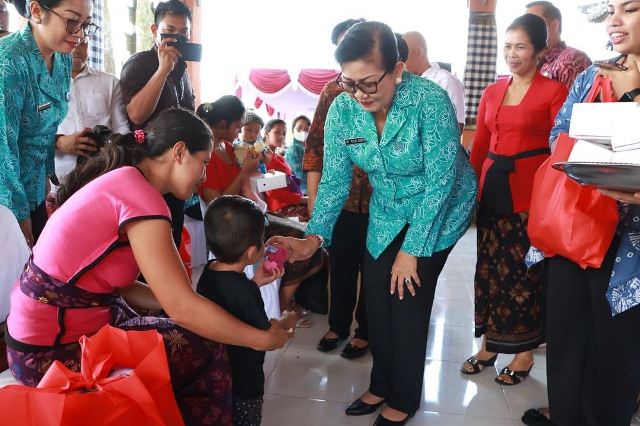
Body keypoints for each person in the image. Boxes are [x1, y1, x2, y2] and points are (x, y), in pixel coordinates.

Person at [5, 108, 292, 425]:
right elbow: (182, 307)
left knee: (192, 322)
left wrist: (189, 305)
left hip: (35, 332)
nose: (205, 175)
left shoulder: (125, 180)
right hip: (51, 350)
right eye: (205, 161)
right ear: (179, 152)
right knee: (206, 346)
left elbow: (130, 287)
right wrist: (261, 339)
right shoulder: (143, 200)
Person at [273, 21, 477, 424]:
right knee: (376, 300)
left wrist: (412, 250)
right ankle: (380, 383)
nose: (358, 94)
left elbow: (441, 183)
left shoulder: (430, 102)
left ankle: (404, 395)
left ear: (398, 69)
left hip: (441, 206)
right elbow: (333, 181)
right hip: (387, 208)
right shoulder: (343, 109)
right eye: (349, 82)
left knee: (407, 298)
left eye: (368, 82)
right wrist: (314, 237)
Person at [523, 1, 640, 425]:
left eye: (630, 9)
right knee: (567, 350)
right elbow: (560, 135)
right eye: (611, 9)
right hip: (578, 228)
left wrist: (630, 97)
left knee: (616, 365)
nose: (613, 20)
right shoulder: (593, 75)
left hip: (632, 254)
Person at [462, 14, 567, 387]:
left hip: (530, 195)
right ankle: (490, 345)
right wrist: (467, 189)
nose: (512, 53)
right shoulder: (492, 91)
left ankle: (523, 353)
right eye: (507, 46)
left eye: (520, 46)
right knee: (488, 267)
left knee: (524, 274)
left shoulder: (554, 92)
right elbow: (479, 146)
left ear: (539, 51)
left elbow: (561, 149)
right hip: (493, 188)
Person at [197, 97, 325, 323]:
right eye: (238, 126)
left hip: (253, 212)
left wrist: (258, 164)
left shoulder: (229, 147)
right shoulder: (206, 154)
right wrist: (244, 171)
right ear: (223, 124)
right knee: (298, 245)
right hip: (233, 223)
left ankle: (285, 302)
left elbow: (253, 183)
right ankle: (280, 308)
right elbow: (217, 202)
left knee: (304, 238)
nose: (240, 132)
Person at [0, 0, 97, 247]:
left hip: (36, 188)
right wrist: (19, 216)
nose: (80, 33)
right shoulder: (8, 64)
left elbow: (45, 130)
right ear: (36, 11)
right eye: (72, 21)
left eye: (85, 24)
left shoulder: (62, 57)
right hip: (7, 199)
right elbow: (3, 151)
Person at [197, 195, 298, 426]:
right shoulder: (244, 291)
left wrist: (255, 283)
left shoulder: (209, 272)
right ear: (252, 252)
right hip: (244, 382)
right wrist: (287, 321)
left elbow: (229, 300)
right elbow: (265, 337)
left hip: (214, 373)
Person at [304, 18, 372, 360]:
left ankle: (366, 331)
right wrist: (316, 201)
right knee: (341, 267)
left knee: (373, 271)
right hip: (340, 200)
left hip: (381, 202)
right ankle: (338, 325)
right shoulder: (332, 92)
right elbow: (314, 146)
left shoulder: (384, 87)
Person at [119, 0, 196, 248]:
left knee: (171, 239)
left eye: (183, 33)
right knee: (149, 243)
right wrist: (162, 70)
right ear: (155, 30)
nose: (177, 39)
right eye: (169, 32)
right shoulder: (139, 64)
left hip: (177, 170)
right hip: (148, 171)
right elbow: (136, 115)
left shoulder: (183, 71)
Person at [53, 37, 130, 187]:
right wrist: (58, 142)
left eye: (82, 42)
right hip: (59, 181)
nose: (77, 48)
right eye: (71, 42)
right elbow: (32, 134)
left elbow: (122, 129)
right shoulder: (42, 83)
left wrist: (111, 145)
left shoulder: (110, 83)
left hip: (103, 176)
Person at [403, 30, 466, 134]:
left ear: (419, 51)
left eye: (405, 53)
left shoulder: (447, 81)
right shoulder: (404, 83)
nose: (401, 59)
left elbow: (457, 127)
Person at [526, 1, 592, 90]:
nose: (526, 30)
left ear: (555, 25)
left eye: (534, 23)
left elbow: (571, 103)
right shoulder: (530, 62)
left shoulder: (572, 59)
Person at [262, 118, 308, 221]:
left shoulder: (277, 156)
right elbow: (274, 192)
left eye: (283, 133)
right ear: (267, 133)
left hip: (291, 202)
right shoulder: (265, 157)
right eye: (276, 132)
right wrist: (302, 199)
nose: (281, 136)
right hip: (281, 208)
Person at [284, 115, 310, 195]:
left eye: (306, 129)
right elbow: (300, 175)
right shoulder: (294, 148)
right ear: (293, 130)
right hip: (302, 190)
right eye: (299, 128)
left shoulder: (307, 148)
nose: (303, 132)